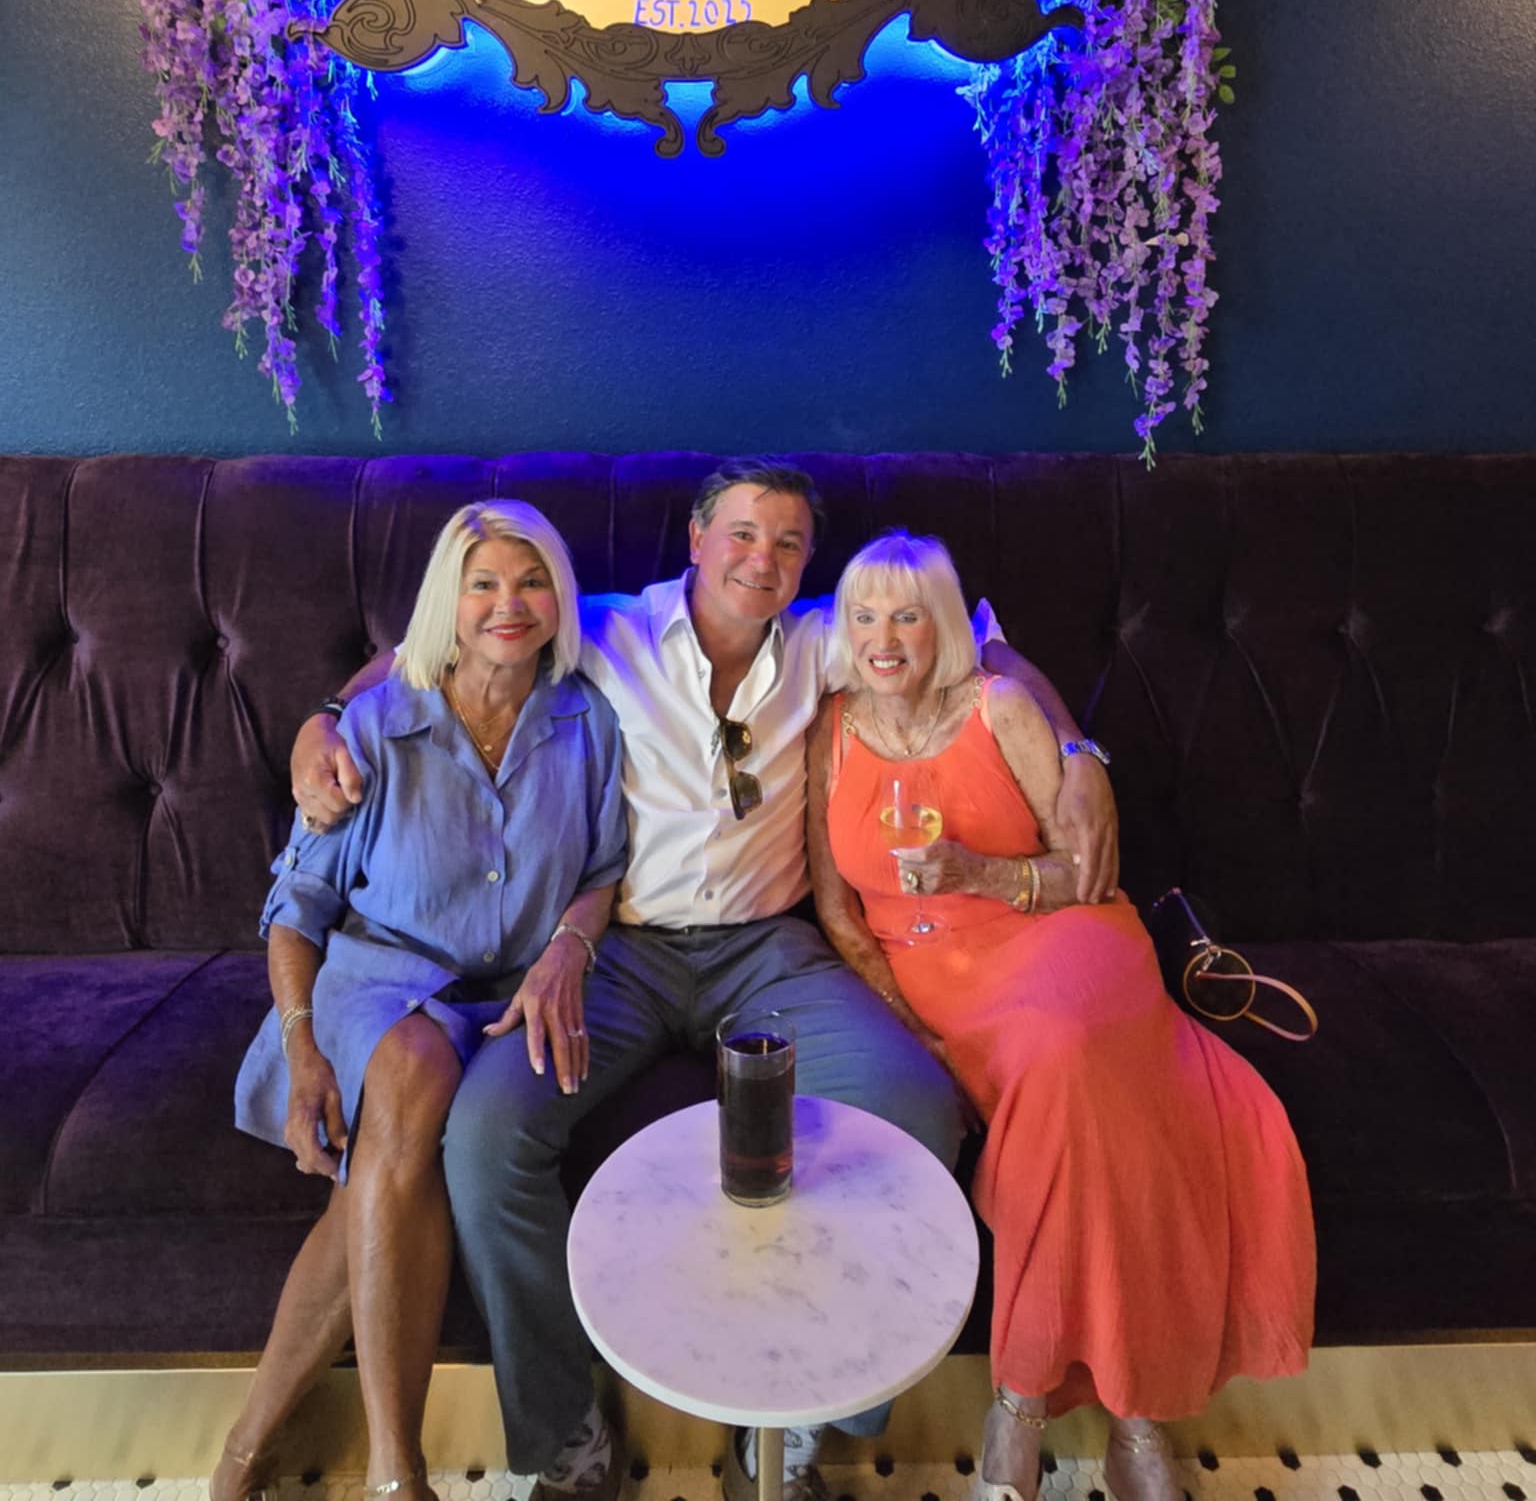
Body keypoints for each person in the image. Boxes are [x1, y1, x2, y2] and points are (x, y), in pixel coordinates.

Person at [288, 461, 1120, 1501]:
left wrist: (1077, 749)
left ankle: (807, 1418)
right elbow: (442, 636)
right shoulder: (608, 629)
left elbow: (979, 636)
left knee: (913, 1105)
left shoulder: (827, 636)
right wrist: (327, 715)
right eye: (742, 534)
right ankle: (567, 1432)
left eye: (787, 543)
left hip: (769, 947)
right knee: (488, 1135)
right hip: (622, 951)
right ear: (695, 539)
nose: (762, 559)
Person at [806, 531, 1315, 1501]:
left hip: (1059, 935)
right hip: (932, 974)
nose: (884, 638)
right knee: (1079, 1109)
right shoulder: (830, 728)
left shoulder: (999, 705)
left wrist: (978, 873)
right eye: (864, 616)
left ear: (945, 624)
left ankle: (1021, 1402)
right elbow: (838, 912)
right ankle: (1137, 1414)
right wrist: (911, 1029)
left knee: (1063, 1052)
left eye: (907, 616)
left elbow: (1085, 874)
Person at [216, 501, 627, 1501]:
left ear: (560, 596)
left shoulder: (588, 719)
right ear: (448, 600)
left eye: (530, 581)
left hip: (507, 993)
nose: (508, 604)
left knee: (385, 1172)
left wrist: (567, 949)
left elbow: (603, 868)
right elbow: (295, 908)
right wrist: (305, 1050)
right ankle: (397, 1471)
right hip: (377, 982)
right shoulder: (375, 726)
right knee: (412, 1067)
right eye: (483, 584)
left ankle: (246, 1449)